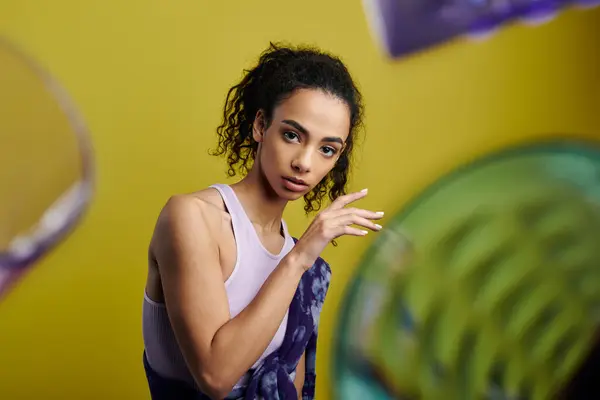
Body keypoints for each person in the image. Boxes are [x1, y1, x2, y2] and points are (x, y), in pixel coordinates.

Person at [142, 42, 383, 400]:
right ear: (259, 125)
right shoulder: (193, 218)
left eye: (326, 149)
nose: (304, 162)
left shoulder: (302, 264)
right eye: (292, 135)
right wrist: (299, 259)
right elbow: (216, 375)